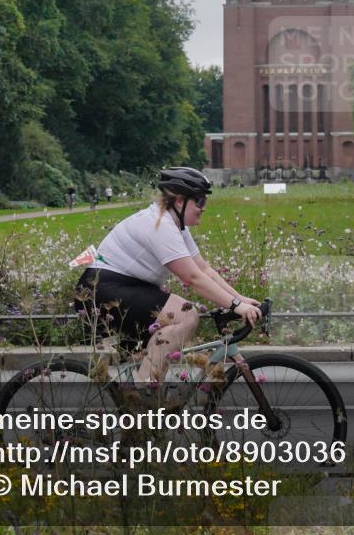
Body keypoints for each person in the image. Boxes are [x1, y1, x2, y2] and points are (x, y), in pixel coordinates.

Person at [75, 166, 262, 391]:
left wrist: (240, 299)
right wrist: (235, 305)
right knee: (185, 314)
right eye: (200, 201)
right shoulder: (160, 225)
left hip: (121, 287)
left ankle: (147, 397)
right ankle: (144, 395)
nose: (204, 208)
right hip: (102, 289)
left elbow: (203, 269)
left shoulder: (175, 224)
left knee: (160, 345)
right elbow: (192, 278)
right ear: (180, 201)